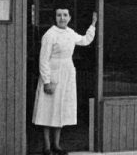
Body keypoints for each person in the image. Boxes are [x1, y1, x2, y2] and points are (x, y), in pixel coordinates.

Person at [32, 8, 97, 155]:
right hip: (52, 74)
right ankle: (47, 147)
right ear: (55, 17)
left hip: (67, 74)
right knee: (48, 110)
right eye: (59, 15)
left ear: (69, 17)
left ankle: (57, 145)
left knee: (60, 109)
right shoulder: (50, 35)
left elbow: (85, 40)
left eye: (65, 15)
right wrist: (47, 81)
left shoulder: (70, 33)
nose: (62, 18)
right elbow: (43, 60)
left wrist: (93, 24)